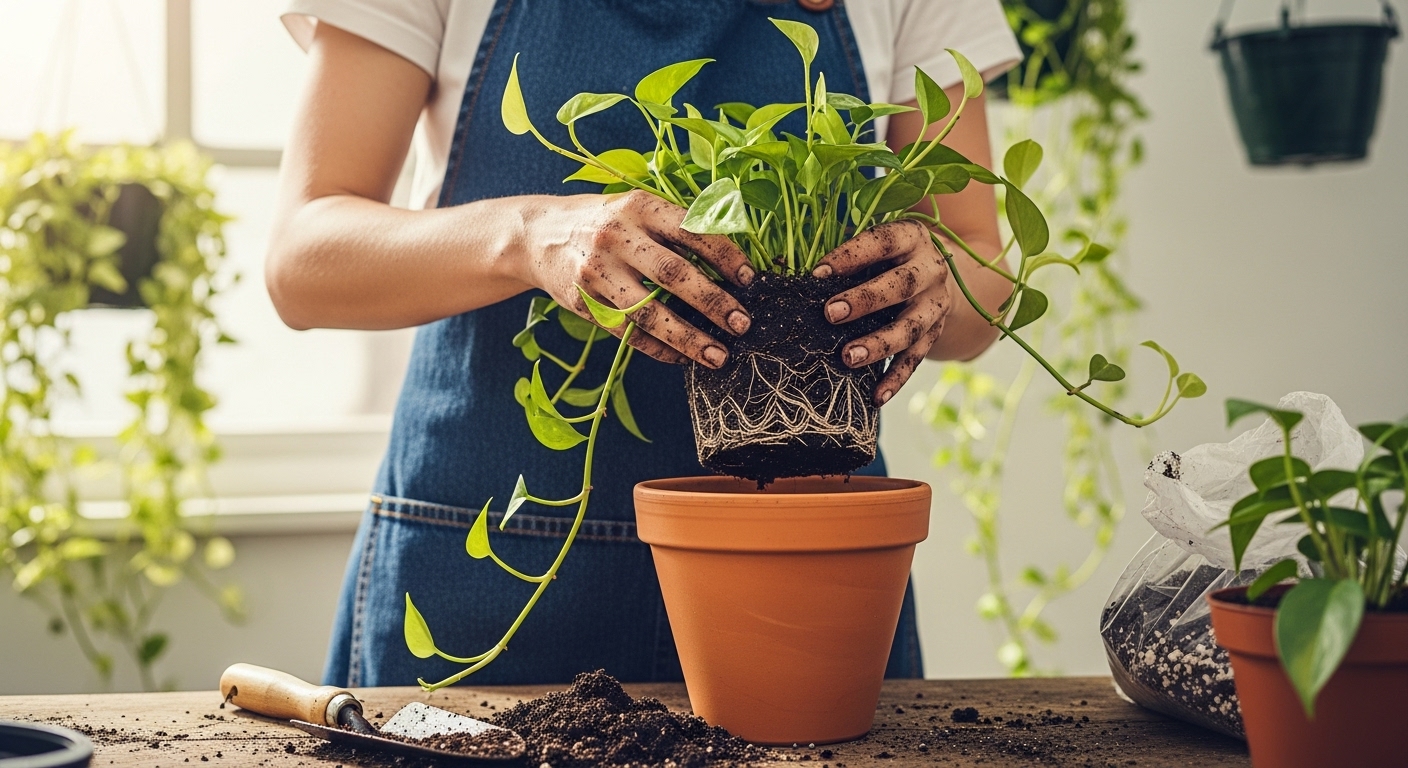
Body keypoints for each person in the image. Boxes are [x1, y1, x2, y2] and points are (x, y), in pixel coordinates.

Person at [271, 0, 1020, 688]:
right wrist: (530, 235)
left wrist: (934, 283)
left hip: (798, 571)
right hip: (491, 558)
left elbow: (982, 283)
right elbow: (302, 260)